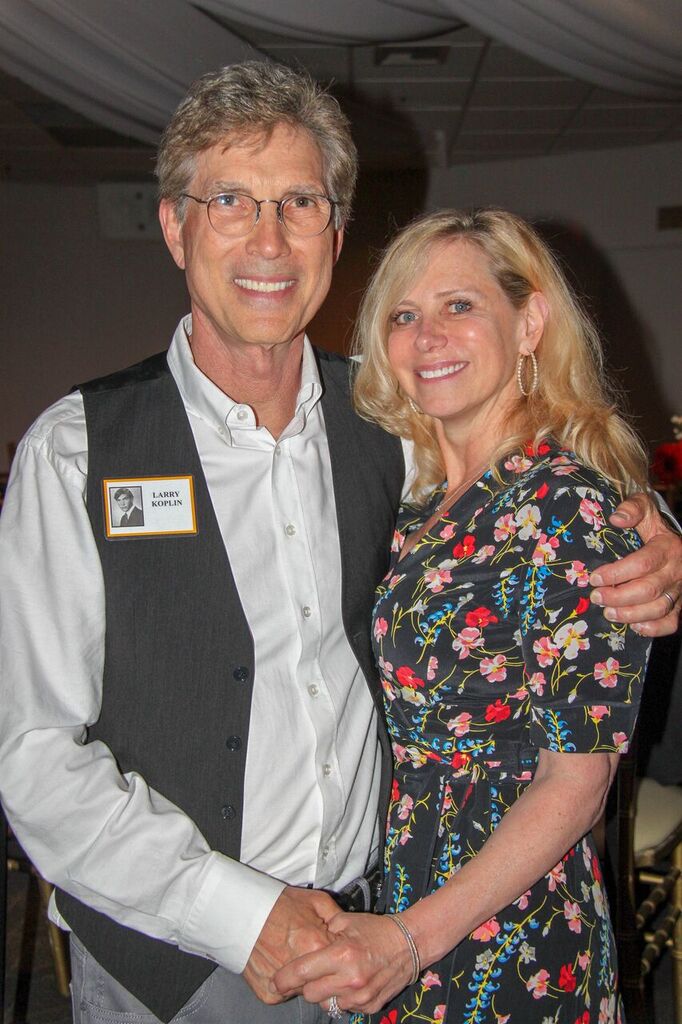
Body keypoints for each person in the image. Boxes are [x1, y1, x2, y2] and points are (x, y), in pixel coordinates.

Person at [0, 64, 679, 1024]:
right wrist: (242, 916)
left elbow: (531, 475)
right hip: (176, 961)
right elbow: (33, 757)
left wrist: (659, 530)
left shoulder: (390, 431)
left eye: (300, 202)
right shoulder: (77, 451)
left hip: (384, 936)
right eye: (230, 201)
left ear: (335, 230)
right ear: (175, 227)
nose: (268, 239)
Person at [273, 209, 659, 1023]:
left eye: (460, 305)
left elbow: (577, 784)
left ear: (530, 323)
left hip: (508, 928)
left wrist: (410, 940)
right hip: (408, 890)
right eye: (403, 315)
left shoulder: (566, 506)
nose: (427, 337)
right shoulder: (421, 504)